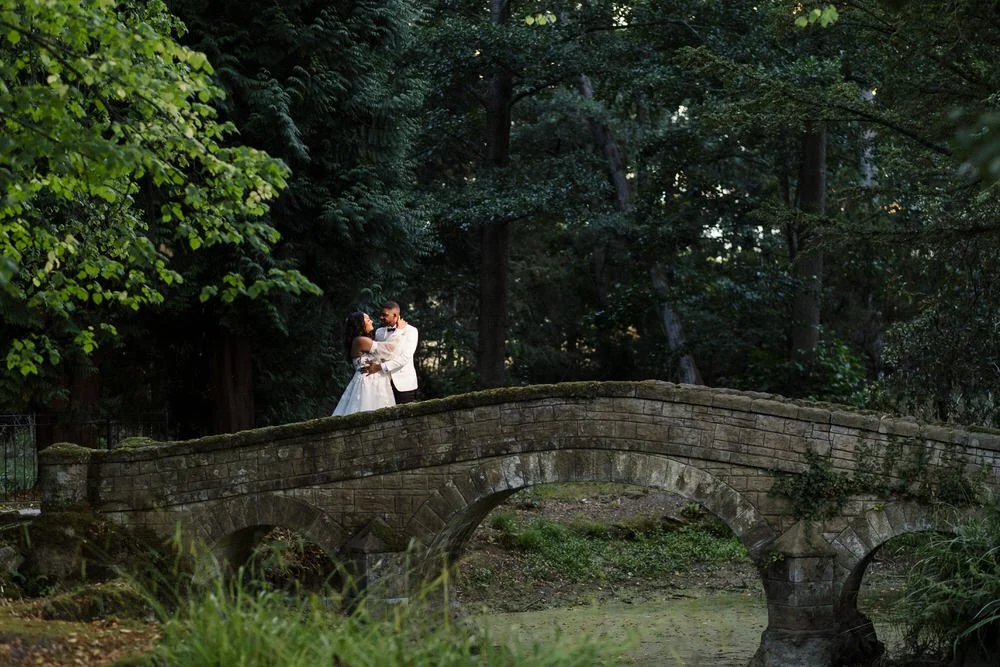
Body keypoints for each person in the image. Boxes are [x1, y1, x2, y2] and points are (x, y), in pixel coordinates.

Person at [331, 311, 398, 416]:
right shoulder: (361, 340)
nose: (371, 321)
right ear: (360, 324)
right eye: (368, 319)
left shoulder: (360, 340)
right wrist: (400, 330)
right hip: (368, 381)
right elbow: (390, 351)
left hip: (374, 380)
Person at [364, 301, 419, 404]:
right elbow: (378, 354)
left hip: (404, 384)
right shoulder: (379, 332)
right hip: (382, 383)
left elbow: (404, 358)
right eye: (380, 314)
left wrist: (379, 367)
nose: (381, 317)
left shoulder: (411, 331)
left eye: (384, 315)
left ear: (395, 315)